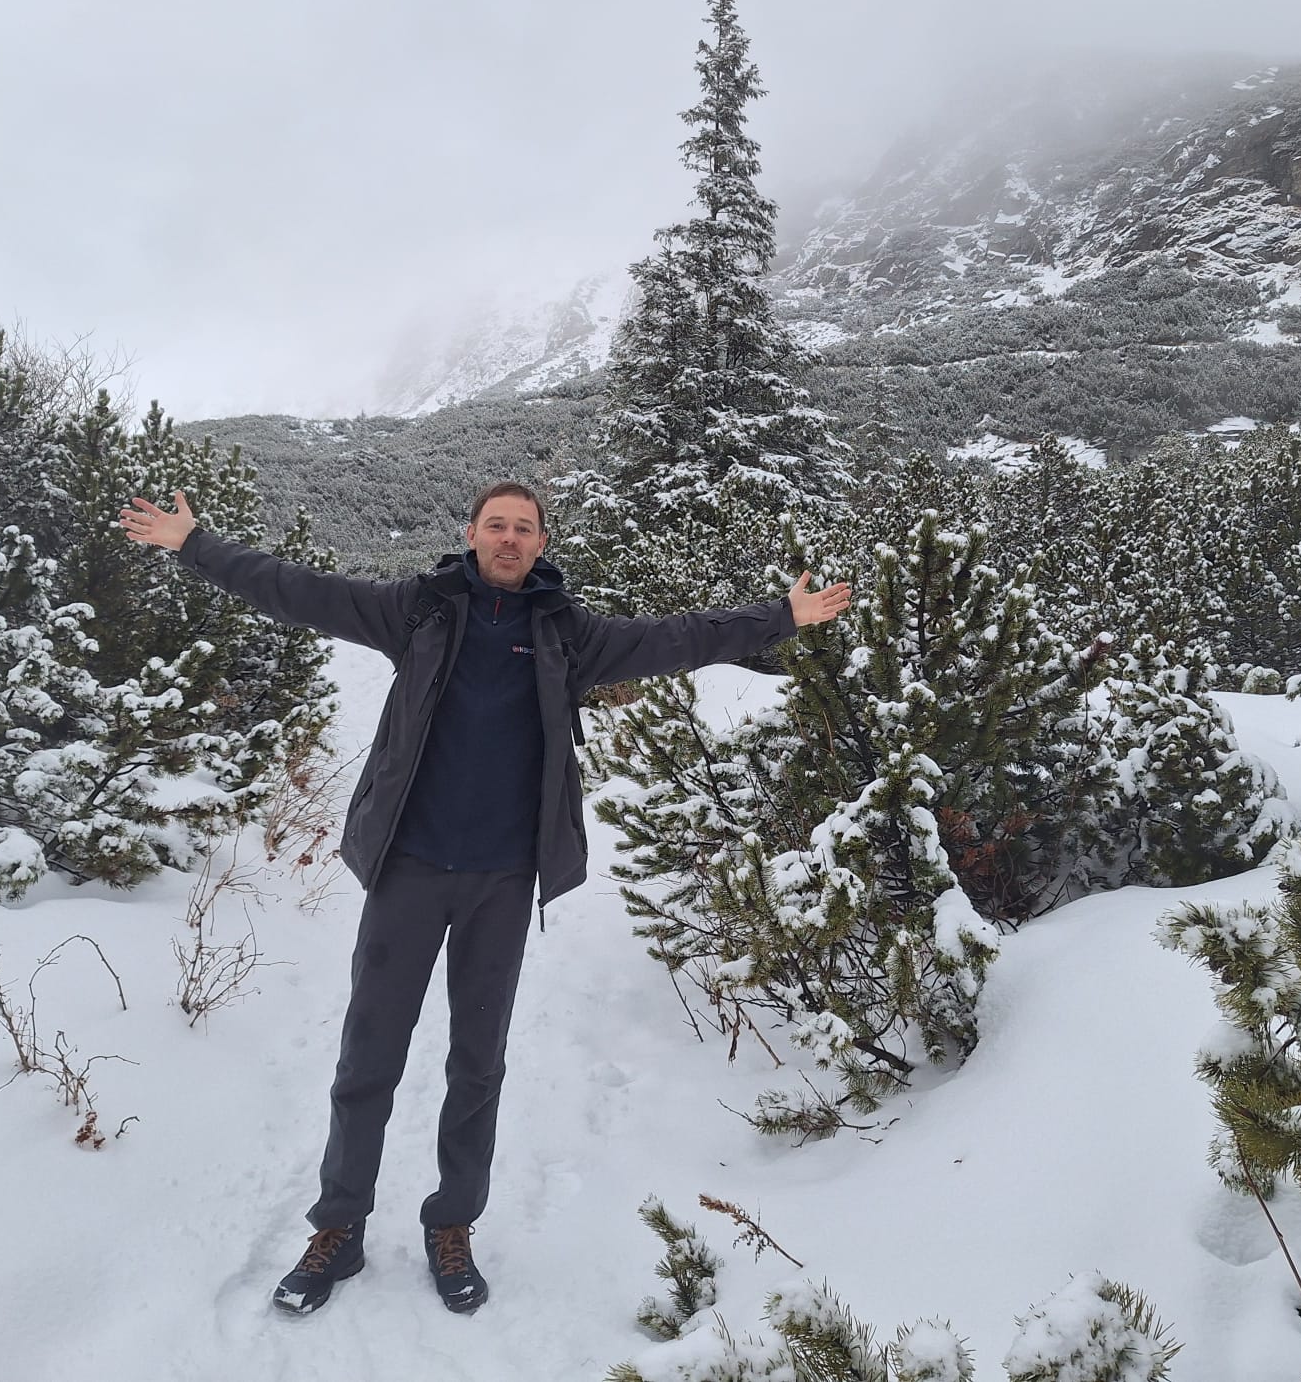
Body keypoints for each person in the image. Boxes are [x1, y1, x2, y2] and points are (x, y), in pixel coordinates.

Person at [118, 481, 850, 1317]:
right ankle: (340, 1228)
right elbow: (300, 590)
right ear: (470, 534)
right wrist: (195, 544)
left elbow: (676, 637)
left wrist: (779, 617)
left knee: (477, 1063)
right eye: (495, 525)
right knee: (367, 1060)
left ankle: (451, 1224)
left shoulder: (569, 634)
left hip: (502, 881)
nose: (508, 538)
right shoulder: (417, 611)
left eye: (523, 528)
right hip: (408, 871)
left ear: (541, 544)